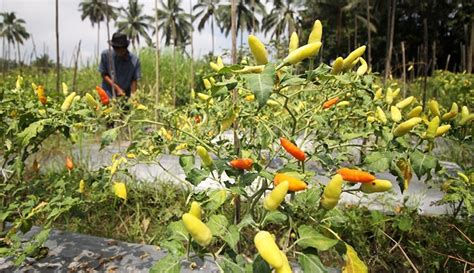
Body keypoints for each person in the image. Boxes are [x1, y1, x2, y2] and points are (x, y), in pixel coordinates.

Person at [98, 32, 141, 99]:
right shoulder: (106, 55)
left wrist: (133, 97)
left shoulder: (134, 61)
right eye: (116, 48)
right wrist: (116, 88)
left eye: (120, 49)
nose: (118, 51)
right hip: (107, 95)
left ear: (125, 47)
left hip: (125, 96)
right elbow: (104, 74)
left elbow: (134, 80)